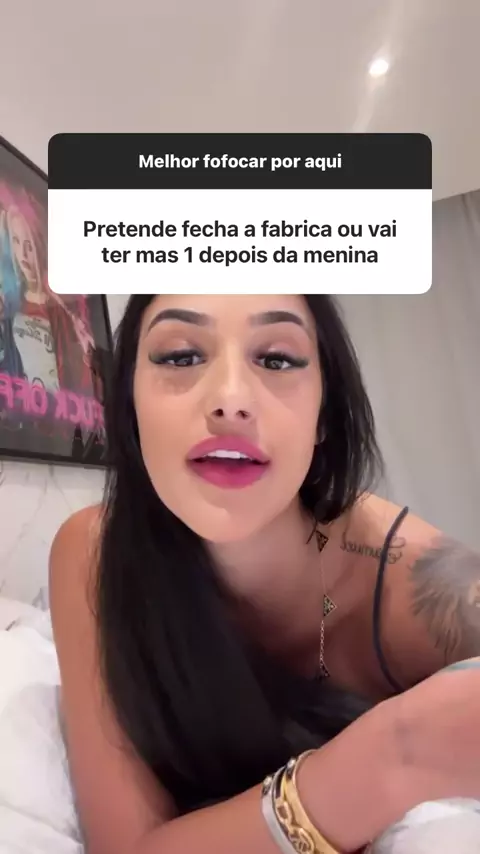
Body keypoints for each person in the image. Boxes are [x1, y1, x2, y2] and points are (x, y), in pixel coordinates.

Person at [49, 294, 480, 854]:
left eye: (277, 359)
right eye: (180, 356)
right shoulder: (94, 553)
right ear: (129, 402)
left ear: (324, 414)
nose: (230, 400)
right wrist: (390, 758)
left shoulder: (423, 590)